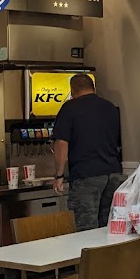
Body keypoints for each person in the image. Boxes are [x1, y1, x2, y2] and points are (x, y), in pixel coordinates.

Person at [52, 74, 124, 230]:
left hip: (86, 176)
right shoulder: (110, 107)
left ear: (72, 91)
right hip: (113, 175)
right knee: (108, 227)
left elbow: (61, 143)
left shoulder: (69, 108)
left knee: (85, 229)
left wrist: (59, 175)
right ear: (94, 88)